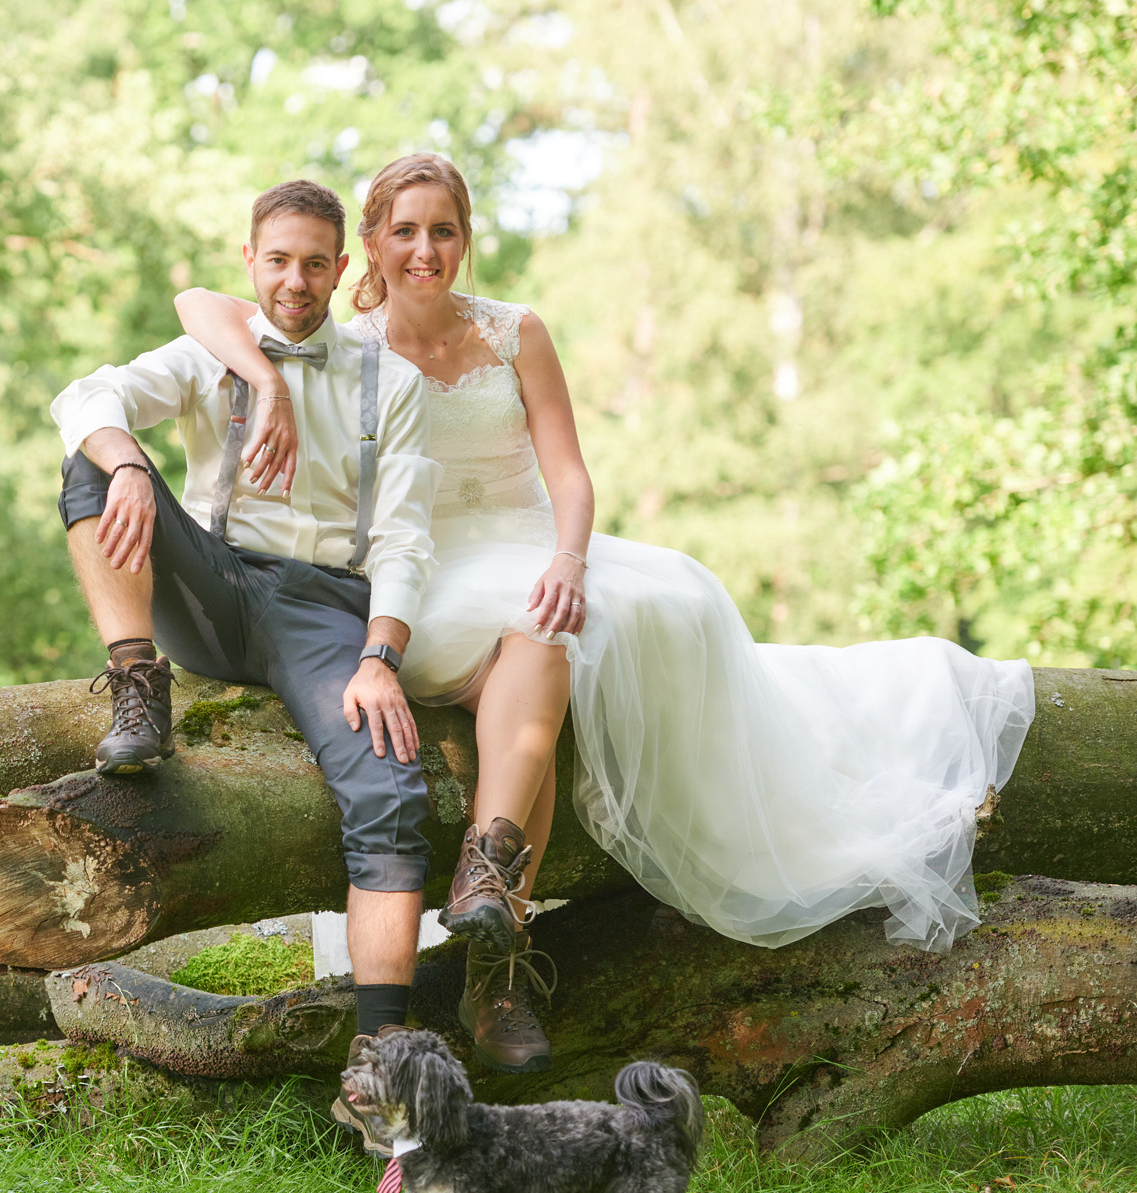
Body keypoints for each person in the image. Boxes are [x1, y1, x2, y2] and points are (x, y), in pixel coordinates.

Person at [175, 153, 1036, 1078]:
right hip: (413, 567)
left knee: (588, 616)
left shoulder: (514, 331)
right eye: (405, 232)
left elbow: (570, 473)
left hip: (527, 541)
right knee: (532, 643)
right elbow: (203, 306)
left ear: (466, 239)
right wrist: (265, 387)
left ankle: (491, 897)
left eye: (445, 231)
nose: (426, 250)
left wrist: (570, 560)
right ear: (368, 252)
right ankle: (500, 959)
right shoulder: (345, 344)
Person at [49, 179, 444, 1152]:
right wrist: (133, 463)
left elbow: (402, 538)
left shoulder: (386, 380)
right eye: (277, 260)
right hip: (213, 590)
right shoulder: (208, 358)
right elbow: (84, 397)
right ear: (249, 263)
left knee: (391, 792)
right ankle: (136, 686)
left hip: (322, 611)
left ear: (341, 269)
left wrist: (379, 655)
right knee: (94, 459)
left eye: (315, 261)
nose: (296, 280)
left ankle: (379, 1067)